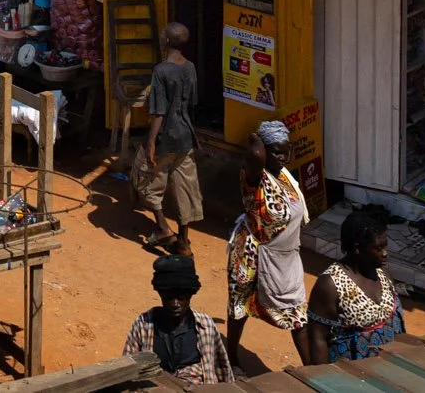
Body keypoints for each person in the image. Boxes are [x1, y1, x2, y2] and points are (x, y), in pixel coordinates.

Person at [224, 122, 308, 361]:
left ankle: (311, 367)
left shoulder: (284, 177)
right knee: (239, 307)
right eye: (276, 151)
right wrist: (255, 137)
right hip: (251, 253)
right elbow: (256, 154)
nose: (282, 156)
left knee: (297, 313)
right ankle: (231, 357)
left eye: (286, 150)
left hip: (285, 256)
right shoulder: (254, 176)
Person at [302, 206, 403, 364]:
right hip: (353, 375)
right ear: (357, 248)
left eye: (385, 246)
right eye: (378, 248)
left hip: (390, 365)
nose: (385, 253)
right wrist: (324, 381)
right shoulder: (330, 285)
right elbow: (318, 338)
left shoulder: (382, 273)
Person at [138, 22, 206, 250]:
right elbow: (193, 101)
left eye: (161, 35)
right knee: (184, 188)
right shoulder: (190, 68)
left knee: (148, 182)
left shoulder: (161, 70)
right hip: (186, 136)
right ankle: (184, 240)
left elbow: (159, 111)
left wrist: (150, 143)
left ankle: (163, 227)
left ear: (167, 41)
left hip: (166, 135)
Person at [122, 252, 233, 386]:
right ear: (161, 295)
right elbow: (127, 369)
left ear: (190, 296)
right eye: (169, 298)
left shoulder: (205, 326)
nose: (175, 304)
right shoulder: (143, 324)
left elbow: (223, 369)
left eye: (181, 298)